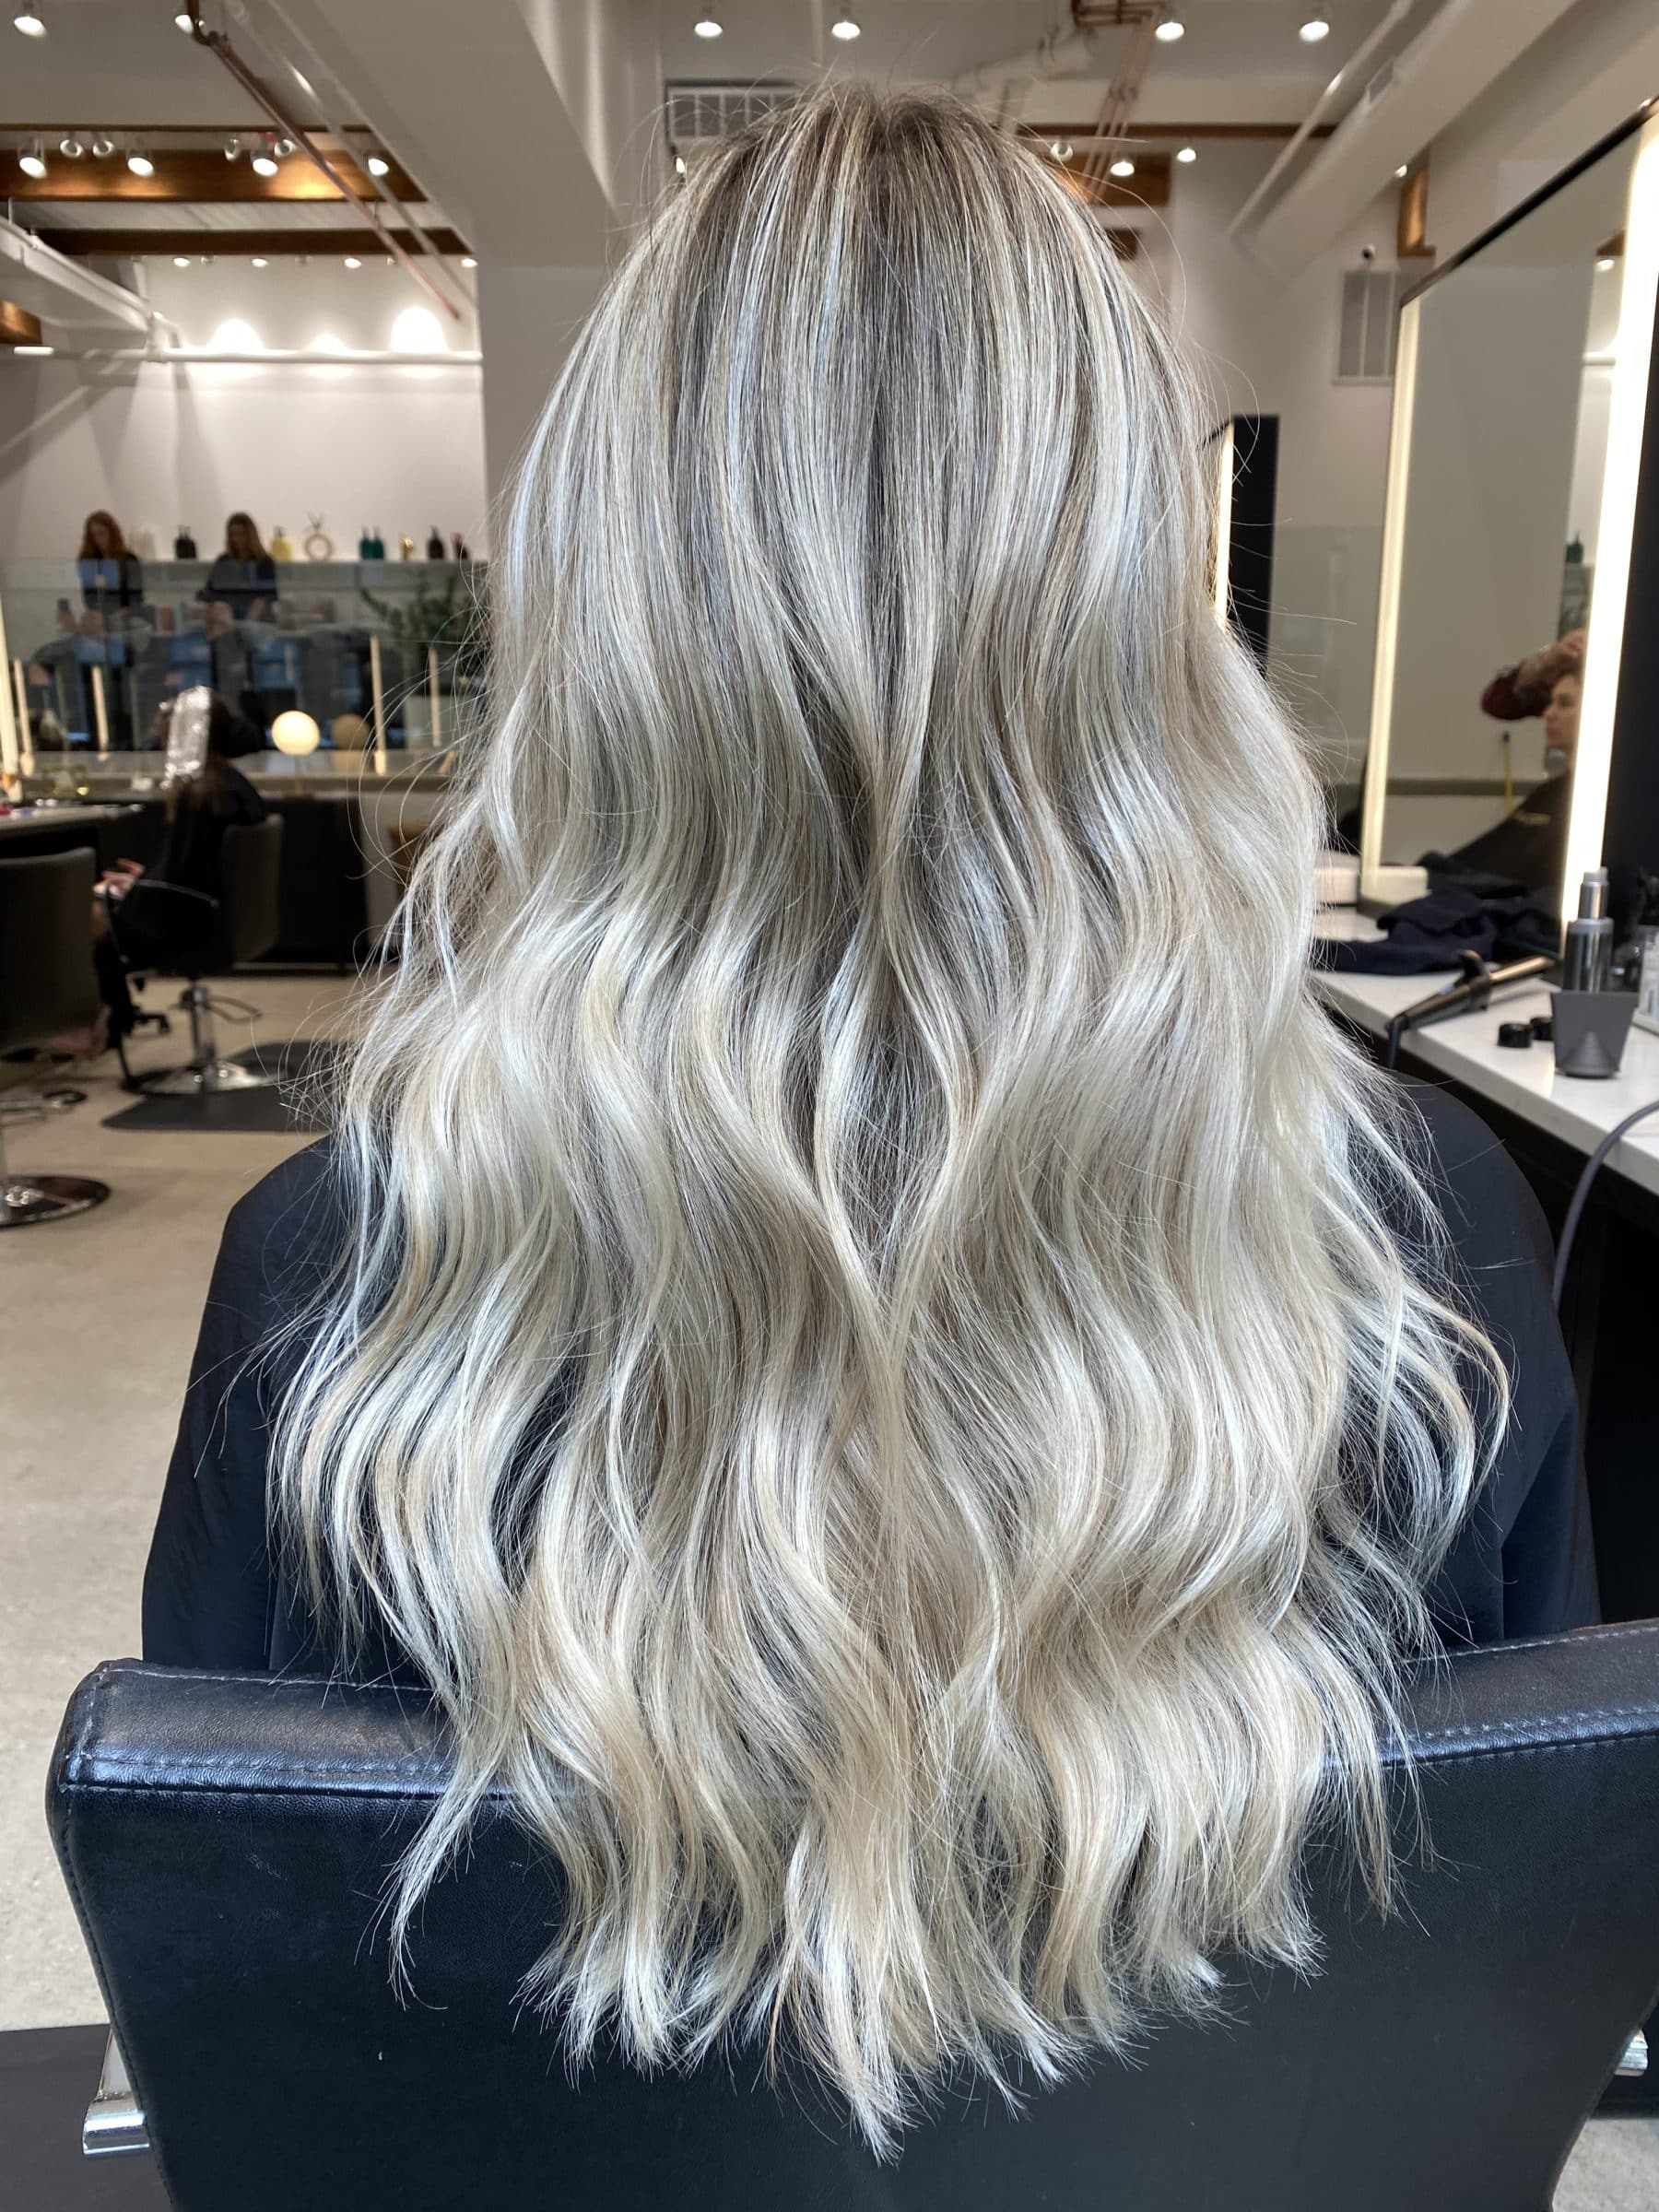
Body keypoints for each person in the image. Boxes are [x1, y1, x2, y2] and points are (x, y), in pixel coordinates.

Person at [143, 88, 1594, 2150]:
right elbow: (1492, 1950)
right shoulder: (1425, 1231)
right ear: (1139, 595)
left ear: (608, 599)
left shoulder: (337, 1269)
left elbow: (265, 1998)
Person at [92, 692, 268, 1045]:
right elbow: (195, 870)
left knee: (87, 917)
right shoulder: (233, 786)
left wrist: (136, 888)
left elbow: (179, 879)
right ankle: (109, 1022)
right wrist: (143, 879)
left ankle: (102, 1026)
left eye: (166, 737)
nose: (162, 745)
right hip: (220, 918)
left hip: (188, 924)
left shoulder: (199, 793)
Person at [1435, 664, 1581, 894]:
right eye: (1551, 702)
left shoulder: (1593, 803)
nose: (1547, 714)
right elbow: (1497, 699)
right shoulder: (1548, 793)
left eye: (1564, 703)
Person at [200, 512, 277, 619]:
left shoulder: (264, 561)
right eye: (233, 535)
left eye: (241, 534)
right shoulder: (223, 561)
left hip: (254, 609)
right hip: (226, 608)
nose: (236, 539)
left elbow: (271, 594)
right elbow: (211, 589)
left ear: (250, 536)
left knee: (259, 604)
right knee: (218, 607)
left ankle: (245, 626)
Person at [76, 510, 144, 620]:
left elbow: (136, 599)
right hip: (99, 621)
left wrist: (119, 614)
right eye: (93, 535)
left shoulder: (129, 560)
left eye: (101, 533)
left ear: (112, 533)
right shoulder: (90, 561)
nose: (97, 540)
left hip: (126, 620)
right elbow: (89, 598)